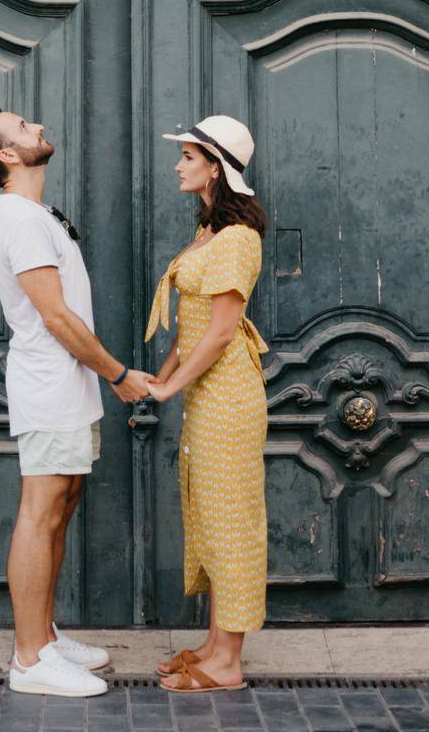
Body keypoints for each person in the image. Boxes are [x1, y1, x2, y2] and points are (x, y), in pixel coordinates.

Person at [0, 108, 150, 698]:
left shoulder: (35, 213)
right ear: (8, 156)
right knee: (40, 512)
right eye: (21, 127)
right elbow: (56, 316)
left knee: (61, 504)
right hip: (48, 385)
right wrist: (117, 374)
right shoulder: (19, 218)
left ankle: (43, 634)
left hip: (69, 387)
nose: (37, 127)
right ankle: (29, 659)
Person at [144, 114, 268, 694]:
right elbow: (188, 331)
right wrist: (161, 375)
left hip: (229, 395)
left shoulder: (238, 239)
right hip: (206, 393)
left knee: (232, 521)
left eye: (189, 156)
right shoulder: (209, 235)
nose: (178, 164)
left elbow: (220, 331)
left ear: (215, 166)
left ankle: (228, 663)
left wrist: (170, 388)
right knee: (214, 520)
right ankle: (216, 645)